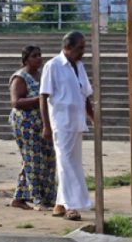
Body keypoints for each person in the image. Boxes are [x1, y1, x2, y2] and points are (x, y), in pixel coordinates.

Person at [40, 31, 94, 221]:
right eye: (80, 48)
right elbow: (43, 95)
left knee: (73, 164)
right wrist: (46, 125)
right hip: (61, 123)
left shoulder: (79, 66)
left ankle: (60, 203)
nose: (83, 52)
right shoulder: (52, 65)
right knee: (66, 164)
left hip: (77, 122)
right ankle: (72, 206)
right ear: (68, 47)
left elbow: (85, 94)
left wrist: (93, 117)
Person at [8, 45, 56, 210]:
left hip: (41, 122)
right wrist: (39, 99)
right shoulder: (20, 77)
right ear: (26, 59)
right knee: (33, 160)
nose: (39, 58)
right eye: (35, 56)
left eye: (40, 55)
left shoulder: (41, 76)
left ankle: (20, 198)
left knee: (44, 160)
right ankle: (37, 199)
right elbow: (16, 102)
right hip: (25, 124)